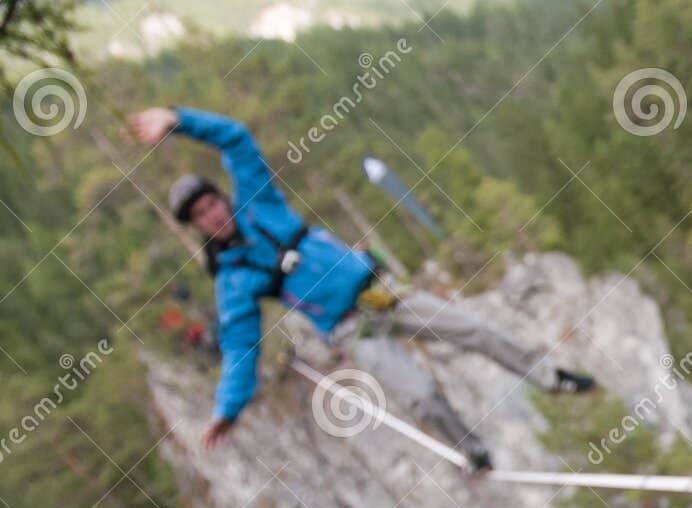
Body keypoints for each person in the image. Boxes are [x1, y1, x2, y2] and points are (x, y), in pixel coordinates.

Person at [129, 106, 595, 474]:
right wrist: (226, 410)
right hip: (352, 329)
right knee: (421, 395)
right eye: (202, 215)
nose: (213, 214)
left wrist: (176, 120)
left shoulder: (259, 205)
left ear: (223, 198)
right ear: (198, 229)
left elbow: (234, 137)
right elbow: (240, 346)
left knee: (474, 329)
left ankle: (551, 378)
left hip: (381, 293)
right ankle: (473, 452)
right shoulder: (233, 281)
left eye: (212, 202)